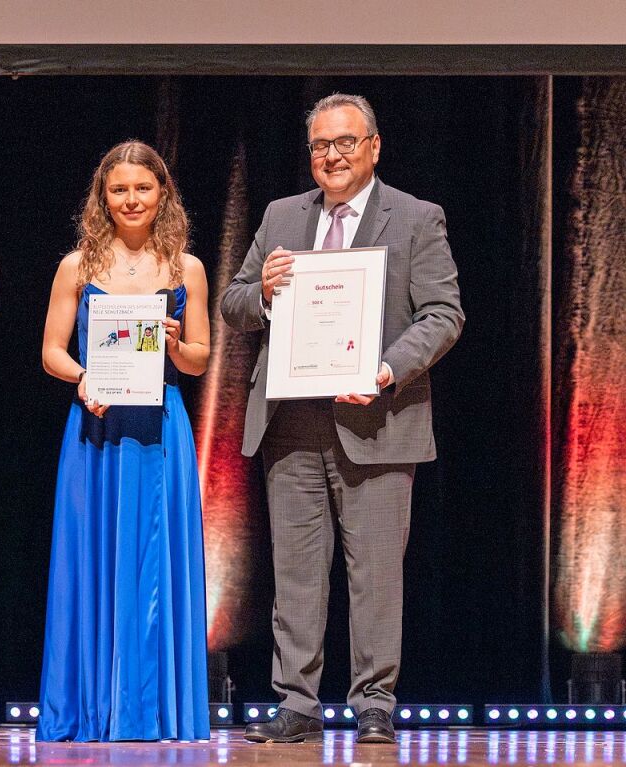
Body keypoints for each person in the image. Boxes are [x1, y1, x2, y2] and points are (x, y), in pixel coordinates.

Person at [221, 94, 464, 744]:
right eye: (321, 145)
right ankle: (296, 702)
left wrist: (382, 371)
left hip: (379, 421)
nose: (332, 156)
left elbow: (444, 314)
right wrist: (264, 292)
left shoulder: (416, 218)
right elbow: (233, 302)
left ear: (374, 147)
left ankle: (375, 703)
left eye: (346, 143)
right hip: (291, 423)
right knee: (295, 572)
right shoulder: (280, 215)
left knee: (375, 574)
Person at [37, 141, 211, 742]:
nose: (131, 199)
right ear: (102, 197)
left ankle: (153, 710)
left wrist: (171, 342)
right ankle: (92, 707)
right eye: (119, 190)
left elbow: (198, 360)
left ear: (162, 192)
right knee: (95, 561)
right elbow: (51, 353)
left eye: (143, 188)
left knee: (154, 564)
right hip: (96, 432)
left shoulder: (186, 267)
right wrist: (84, 377)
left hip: (161, 434)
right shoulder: (76, 266)